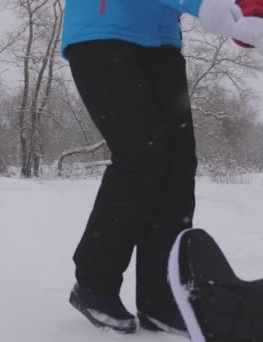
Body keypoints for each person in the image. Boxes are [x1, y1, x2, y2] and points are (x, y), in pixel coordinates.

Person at [61, 0, 263, 335]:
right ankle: (94, 283)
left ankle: (161, 296)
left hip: (161, 40)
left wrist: (247, 15)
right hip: (102, 32)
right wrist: (200, 5)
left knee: (179, 165)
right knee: (141, 156)